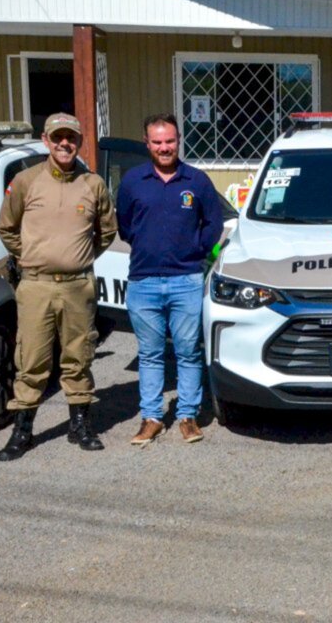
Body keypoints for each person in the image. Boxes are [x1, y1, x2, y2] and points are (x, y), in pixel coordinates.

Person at [0, 113, 117, 461]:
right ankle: (23, 431)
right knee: (31, 359)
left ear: (79, 142)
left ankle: (79, 426)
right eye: (58, 137)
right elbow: (7, 229)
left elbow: (106, 231)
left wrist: (79, 256)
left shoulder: (92, 184)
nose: (65, 143)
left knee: (77, 357)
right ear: (46, 141)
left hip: (79, 286)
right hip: (36, 286)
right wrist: (32, 256)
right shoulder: (25, 181)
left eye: (72, 138)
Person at [116, 114, 223, 445]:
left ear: (179, 140)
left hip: (186, 280)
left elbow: (213, 224)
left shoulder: (197, 181)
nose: (165, 147)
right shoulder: (133, 181)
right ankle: (150, 417)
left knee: (188, 352)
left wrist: (195, 251)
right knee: (149, 354)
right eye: (158, 142)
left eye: (170, 141)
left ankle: (187, 415)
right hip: (144, 281)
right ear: (147, 144)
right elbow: (125, 226)